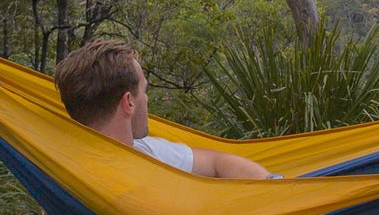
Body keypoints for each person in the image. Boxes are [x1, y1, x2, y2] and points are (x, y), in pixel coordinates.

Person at [53, 37, 277, 180]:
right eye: (144, 90)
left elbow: (217, 162)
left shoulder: (142, 149)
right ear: (128, 102)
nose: (147, 99)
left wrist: (272, 185)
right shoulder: (100, 179)